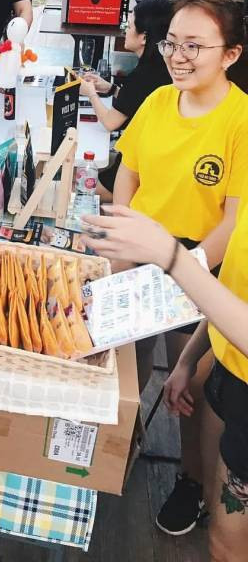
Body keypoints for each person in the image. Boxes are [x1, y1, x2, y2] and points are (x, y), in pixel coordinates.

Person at [111, 0, 248, 536]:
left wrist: (182, 267)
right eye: (172, 42)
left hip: (203, 269)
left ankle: (192, 481)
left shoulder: (241, 119)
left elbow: (234, 221)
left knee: (189, 387)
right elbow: (130, 171)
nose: (178, 55)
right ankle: (119, 446)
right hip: (142, 253)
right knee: (129, 363)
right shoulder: (158, 102)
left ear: (230, 54)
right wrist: (123, 232)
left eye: (196, 45)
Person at [82, 201, 248, 562]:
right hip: (227, 373)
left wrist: (172, 257)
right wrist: (188, 360)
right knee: (222, 536)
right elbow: (234, 291)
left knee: (229, 544)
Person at [79, 0, 173, 201]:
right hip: (151, 161)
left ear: (144, 37)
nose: (125, 31)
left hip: (136, 169)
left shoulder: (143, 75)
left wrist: (91, 92)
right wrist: (111, 88)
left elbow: (110, 122)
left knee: (74, 185)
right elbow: (137, 103)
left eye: (129, 26)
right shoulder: (160, 68)